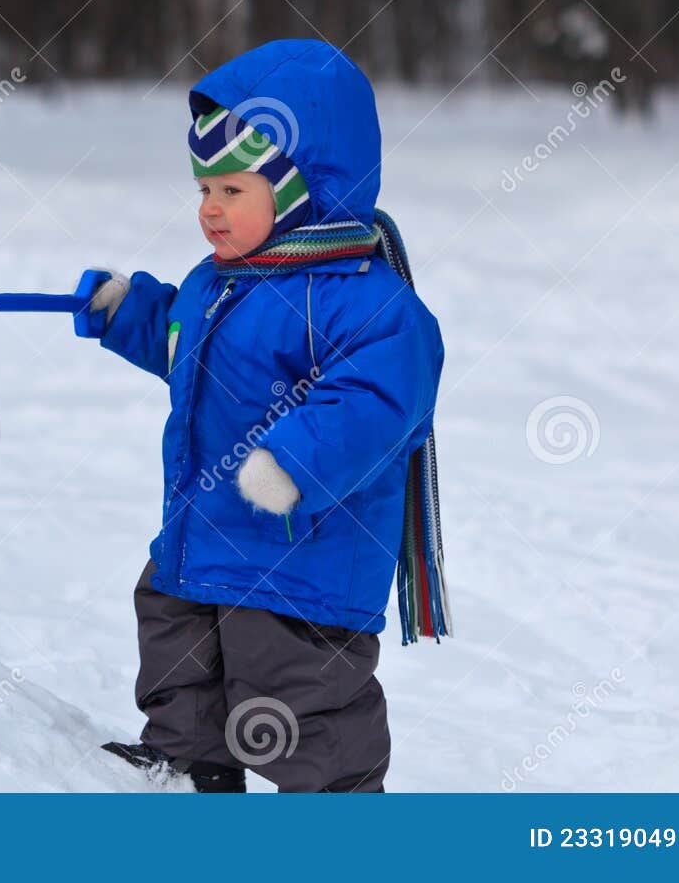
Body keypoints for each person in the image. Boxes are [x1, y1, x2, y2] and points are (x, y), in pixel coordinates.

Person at [88, 39, 445, 793]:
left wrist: (296, 459)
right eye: (203, 188)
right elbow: (188, 349)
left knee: (298, 689)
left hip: (302, 552)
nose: (208, 209)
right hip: (204, 525)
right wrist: (132, 314)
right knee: (178, 637)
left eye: (231, 190)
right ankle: (190, 764)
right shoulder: (215, 284)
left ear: (301, 191)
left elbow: (379, 401)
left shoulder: (364, 301)